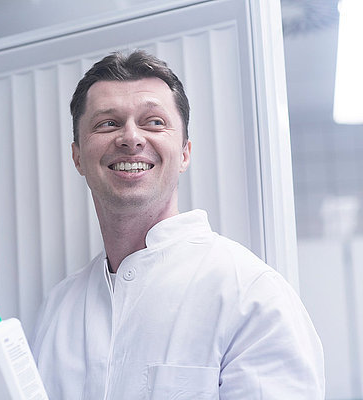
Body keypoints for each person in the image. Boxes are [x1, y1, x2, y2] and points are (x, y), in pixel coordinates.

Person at [31, 51, 325, 399]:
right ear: (78, 156)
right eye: (107, 123)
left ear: (184, 153)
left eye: (154, 122)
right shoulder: (58, 308)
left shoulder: (250, 294)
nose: (130, 138)